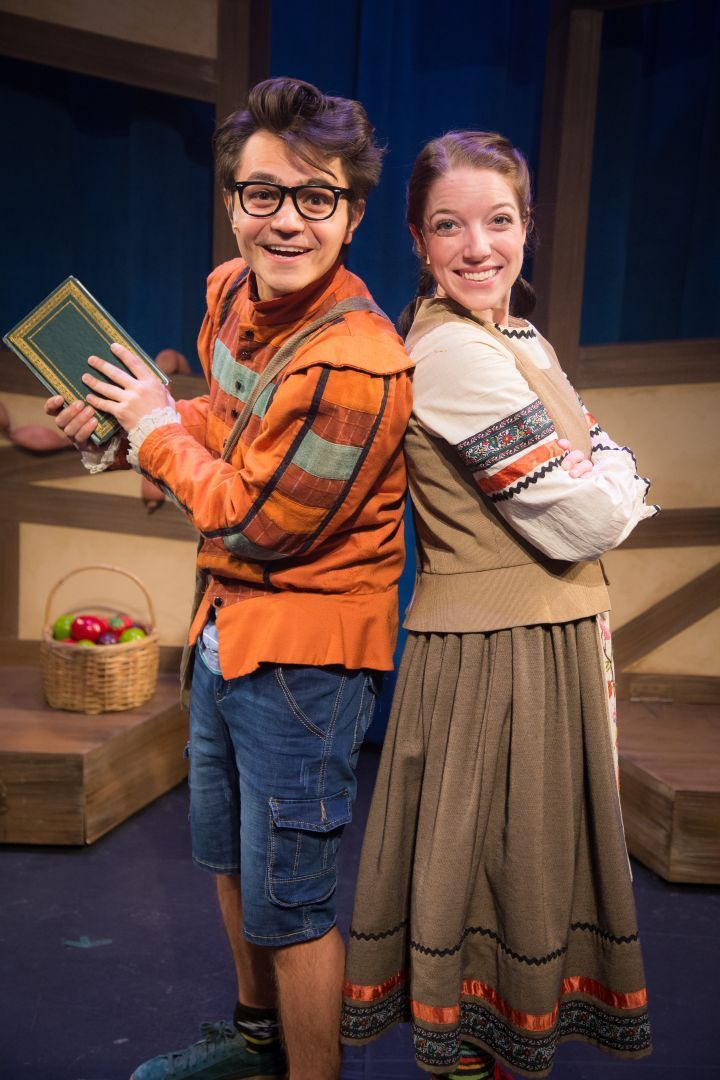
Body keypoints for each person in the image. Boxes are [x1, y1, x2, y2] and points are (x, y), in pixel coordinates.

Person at [46, 77, 413, 1080]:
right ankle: (255, 1048)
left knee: (292, 903)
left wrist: (154, 432)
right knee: (229, 860)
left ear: (353, 213)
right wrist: (133, 425)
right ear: (231, 200)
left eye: (316, 197)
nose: (286, 220)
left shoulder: (358, 367)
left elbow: (262, 522)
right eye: (263, 194)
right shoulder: (229, 293)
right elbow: (228, 422)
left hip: (306, 664)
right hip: (224, 626)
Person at [340, 131, 657, 1079]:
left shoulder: (516, 339)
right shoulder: (451, 354)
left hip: (545, 638)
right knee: (490, 874)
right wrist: (611, 474)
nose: (478, 247)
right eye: (450, 226)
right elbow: (588, 516)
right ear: (417, 240)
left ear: (527, 227)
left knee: (525, 875)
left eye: (499, 220)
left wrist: (604, 470)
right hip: (497, 652)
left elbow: (598, 461)